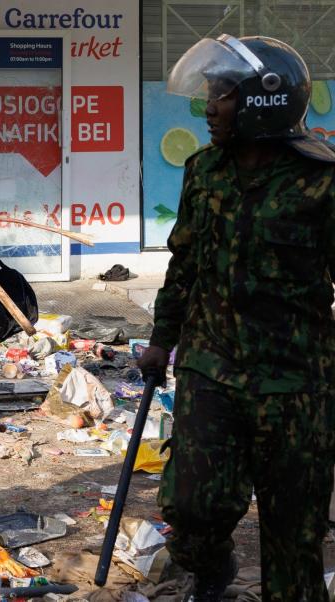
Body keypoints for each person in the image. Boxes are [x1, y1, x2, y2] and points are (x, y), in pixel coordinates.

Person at [139, 34, 335, 601]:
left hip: (296, 381)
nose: (209, 107)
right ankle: (212, 567)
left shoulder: (321, 180)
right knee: (191, 506)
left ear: (262, 100)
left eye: (221, 95)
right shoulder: (204, 171)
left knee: (293, 536)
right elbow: (184, 264)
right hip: (210, 369)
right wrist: (160, 339)